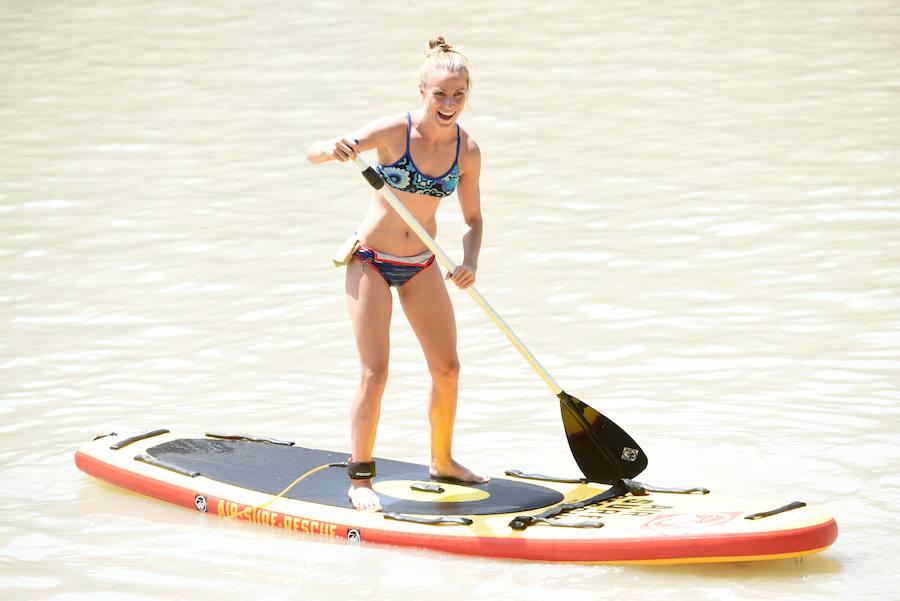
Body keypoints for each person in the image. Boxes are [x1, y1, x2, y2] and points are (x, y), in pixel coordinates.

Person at [306, 36, 488, 511]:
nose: (449, 105)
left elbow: (473, 221)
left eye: (458, 95)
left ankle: (443, 461)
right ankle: (361, 478)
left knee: (448, 368)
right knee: (375, 372)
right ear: (422, 91)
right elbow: (314, 153)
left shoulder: (467, 152)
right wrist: (333, 148)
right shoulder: (393, 131)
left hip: (422, 263)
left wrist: (470, 262)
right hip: (369, 260)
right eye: (440, 94)